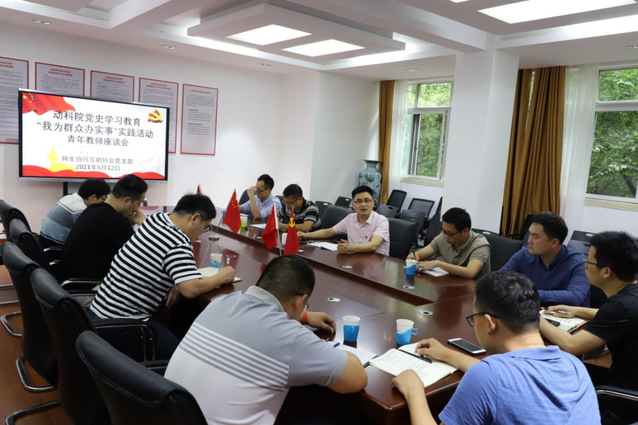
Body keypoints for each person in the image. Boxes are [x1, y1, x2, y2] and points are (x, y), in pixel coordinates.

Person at [164, 255, 367, 425]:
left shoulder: (221, 302)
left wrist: (303, 316)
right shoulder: (290, 338)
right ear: (299, 300)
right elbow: (356, 379)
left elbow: (252, 323)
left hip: (170, 417)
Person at [393, 270, 599, 425]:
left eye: (474, 318)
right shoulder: (574, 365)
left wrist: (414, 391)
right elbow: (509, 379)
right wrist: (447, 354)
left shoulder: (488, 376)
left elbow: (493, 378)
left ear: (489, 323)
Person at [90, 193, 236, 359]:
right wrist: (221, 276)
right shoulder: (177, 242)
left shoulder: (156, 220)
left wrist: (176, 281)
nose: (201, 233)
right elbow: (190, 289)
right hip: (125, 327)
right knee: (184, 359)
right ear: (194, 218)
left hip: (99, 315)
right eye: (205, 227)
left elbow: (155, 258)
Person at [539, 231, 638, 424]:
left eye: (588, 261)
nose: (584, 264)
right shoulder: (630, 296)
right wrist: (572, 309)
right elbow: (614, 314)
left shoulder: (619, 306)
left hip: (626, 398)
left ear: (606, 271)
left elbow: (571, 345)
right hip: (626, 380)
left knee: (555, 381)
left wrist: (533, 317)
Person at [61, 174, 147, 279]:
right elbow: (143, 255)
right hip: (88, 285)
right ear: (127, 201)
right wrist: (143, 223)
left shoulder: (94, 209)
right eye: (139, 203)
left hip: (69, 277)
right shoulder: (115, 221)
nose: (138, 208)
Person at [501, 211, 589, 306]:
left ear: (554, 243)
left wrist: (524, 293)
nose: (529, 241)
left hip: (569, 314)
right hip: (532, 311)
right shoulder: (524, 254)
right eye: (529, 234)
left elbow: (574, 297)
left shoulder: (579, 263)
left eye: (535, 236)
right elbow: (498, 279)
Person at [298, 185, 389, 255]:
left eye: (367, 200)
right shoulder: (350, 218)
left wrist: (350, 248)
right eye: (359, 201)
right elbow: (329, 232)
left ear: (373, 203)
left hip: (376, 262)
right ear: (353, 205)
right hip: (355, 259)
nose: (363, 204)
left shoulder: (381, 221)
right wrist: (305, 235)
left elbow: (374, 245)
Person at [408, 207, 490, 279]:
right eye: (444, 231)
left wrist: (438, 264)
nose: (446, 236)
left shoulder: (480, 245)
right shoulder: (444, 236)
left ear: (465, 231)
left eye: (450, 234)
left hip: (475, 287)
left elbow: (471, 272)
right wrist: (414, 257)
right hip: (450, 282)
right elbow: (420, 254)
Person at [39, 178, 111, 248]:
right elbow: (88, 235)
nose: (103, 203)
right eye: (103, 199)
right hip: (55, 249)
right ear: (94, 197)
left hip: (44, 243)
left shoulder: (68, 198)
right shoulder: (80, 209)